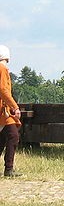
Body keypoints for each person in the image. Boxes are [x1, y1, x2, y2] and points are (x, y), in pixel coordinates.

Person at [0, 45, 22, 177]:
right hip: (3, 111)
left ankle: (9, 168)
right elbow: (3, 90)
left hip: (3, 111)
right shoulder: (2, 69)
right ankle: (8, 169)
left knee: (2, 139)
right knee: (13, 136)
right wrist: (15, 107)